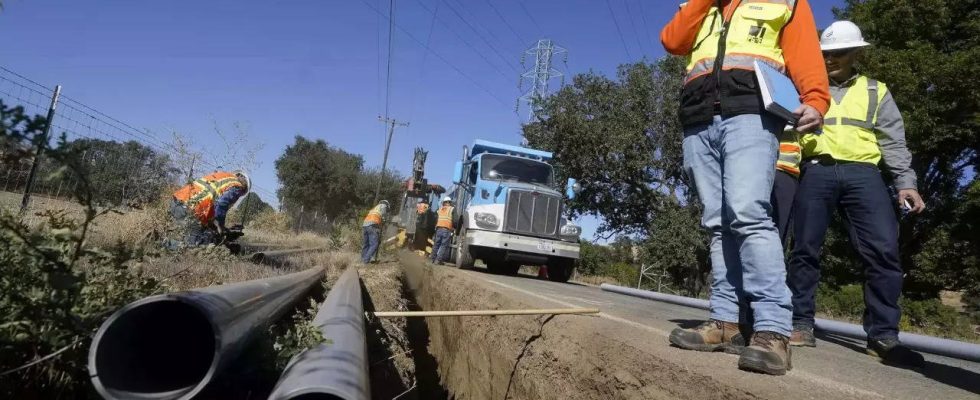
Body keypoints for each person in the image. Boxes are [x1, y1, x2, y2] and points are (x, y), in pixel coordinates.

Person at [660, 0, 830, 375]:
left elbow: (804, 51)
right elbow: (672, 41)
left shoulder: (785, 1)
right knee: (717, 222)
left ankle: (773, 331)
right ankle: (725, 321)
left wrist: (816, 98)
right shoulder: (700, 5)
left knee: (749, 214)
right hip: (699, 117)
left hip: (751, 113)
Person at [787, 21, 926, 367]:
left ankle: (882, 336)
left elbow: (893, 142)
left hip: (864, 174)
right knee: (804, 247)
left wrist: (905, 183)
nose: (832, 59)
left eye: (840, 53)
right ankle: (800, 323)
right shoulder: (803, 88)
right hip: (816, 170)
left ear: (856, 54)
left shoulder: (876, 91)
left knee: (883, 250)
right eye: (826, 53)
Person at [170, 170, 250, 247]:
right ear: (244, 188)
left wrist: (220, 228)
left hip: (176, 202)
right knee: (199, 243)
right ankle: (167, 245)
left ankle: (172, 241)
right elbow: (222, 204)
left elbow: (210, 208)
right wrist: (220, 227)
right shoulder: (237, 187)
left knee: (196, 232)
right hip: (188, 210)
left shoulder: (222, 176)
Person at [430, 197, 454, 264]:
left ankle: (432, 259)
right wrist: (455, 228)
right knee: (443, 245)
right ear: (449, 202)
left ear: (444, 202)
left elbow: (434, 218)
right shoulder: (452, 209)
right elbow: (455, 220)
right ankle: (438, 260)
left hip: (438, 229)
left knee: (436, 244)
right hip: (447, 229)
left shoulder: (439, 209)